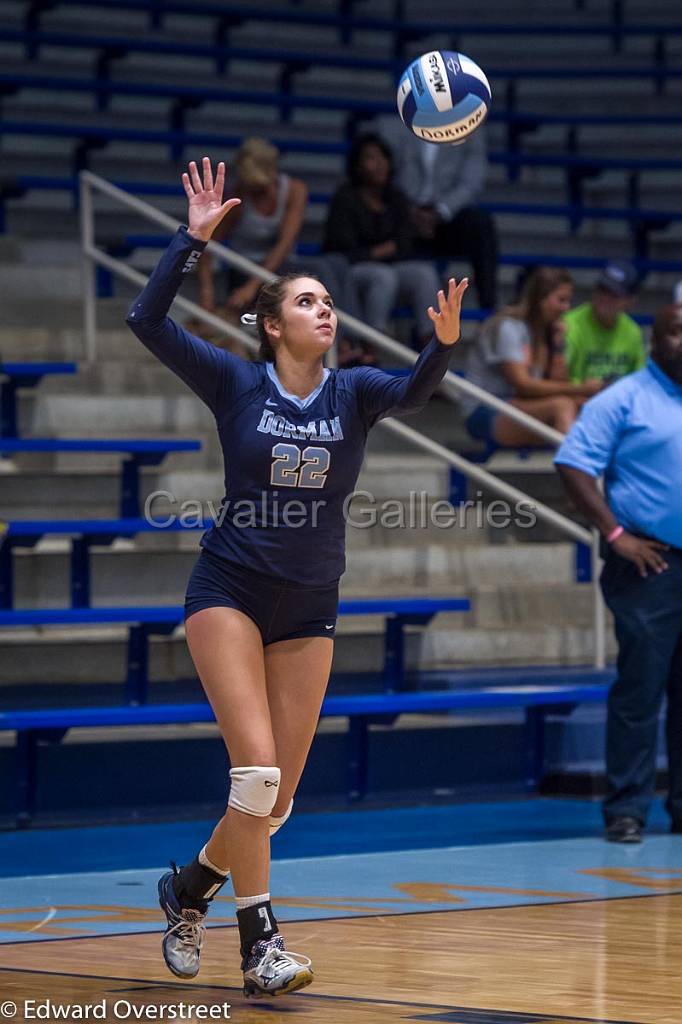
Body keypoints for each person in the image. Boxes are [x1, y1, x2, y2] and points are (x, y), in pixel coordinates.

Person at [125, 157, 467, 997]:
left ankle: (188, 890)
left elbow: (419, 391)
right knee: (256, 777)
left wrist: (443, 345)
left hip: (310, 606)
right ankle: (260, 948)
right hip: (229, 592)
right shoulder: (235, 381)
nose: (326, 309)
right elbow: (146, 318)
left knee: (272, 806)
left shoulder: (353, 392)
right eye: (309, 300)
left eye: (329, 300)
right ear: (274, 325)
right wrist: (191, 239)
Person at [554, 305, 682, 844]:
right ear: (654, 340)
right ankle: (627, 809)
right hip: (649, 561)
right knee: (641, 687)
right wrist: (614, 534)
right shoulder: (623, 398)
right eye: (676, 331)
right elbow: (573, 463)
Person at [196, 137, 353, 320]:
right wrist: (207, 292)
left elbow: (285, 243)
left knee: (338, 263)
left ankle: (353, 338)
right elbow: (208, 244)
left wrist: (254, 284)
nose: (257, 189)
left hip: (278, 267)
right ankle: (342, 340)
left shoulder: (294, 190)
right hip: (245, 269)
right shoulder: (239, 197)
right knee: (321, 268)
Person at [460, 266, 601, 446]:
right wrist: (580, 388)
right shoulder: (508, 327)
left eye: (568, 301)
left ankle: (601, 470)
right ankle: (578, 470)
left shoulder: (548, 332)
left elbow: (559, 380)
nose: (566, 308)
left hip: (521, 405)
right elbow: (523, 385)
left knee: (586, 406)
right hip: (485, 410)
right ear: (540, 299)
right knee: (562, 406)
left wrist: (558, 346)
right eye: (561, 300)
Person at [324, 132, 441, 348]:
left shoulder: (396, 197)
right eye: (370, 158)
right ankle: (371, 345)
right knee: (383, 276)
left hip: (390, 267)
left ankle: (432, 348)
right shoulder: (345, 198)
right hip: (352, 272)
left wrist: (387, 251)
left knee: (424, 274)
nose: (378, 164)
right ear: (357, 165)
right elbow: (341, 250)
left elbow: (405, 242)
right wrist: (379, 252)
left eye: (382, 158)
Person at [377, 117, 498, 310]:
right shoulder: (391, 127)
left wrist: (440, 212)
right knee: (384, 219)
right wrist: (410, 212)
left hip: (448, 216)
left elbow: (472, 182)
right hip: (404, 214)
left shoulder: (470, 128)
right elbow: (383, 178)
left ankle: (489, 309)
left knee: (482, 224)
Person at [565, 261, 646, 385]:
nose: (605, 297)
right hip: (580, 399)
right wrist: (583, 386)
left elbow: (639, 380)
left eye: (614, 294)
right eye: (602, 289)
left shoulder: (633, 332)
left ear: (630, 301)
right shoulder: (569, 325)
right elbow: (558, 381)